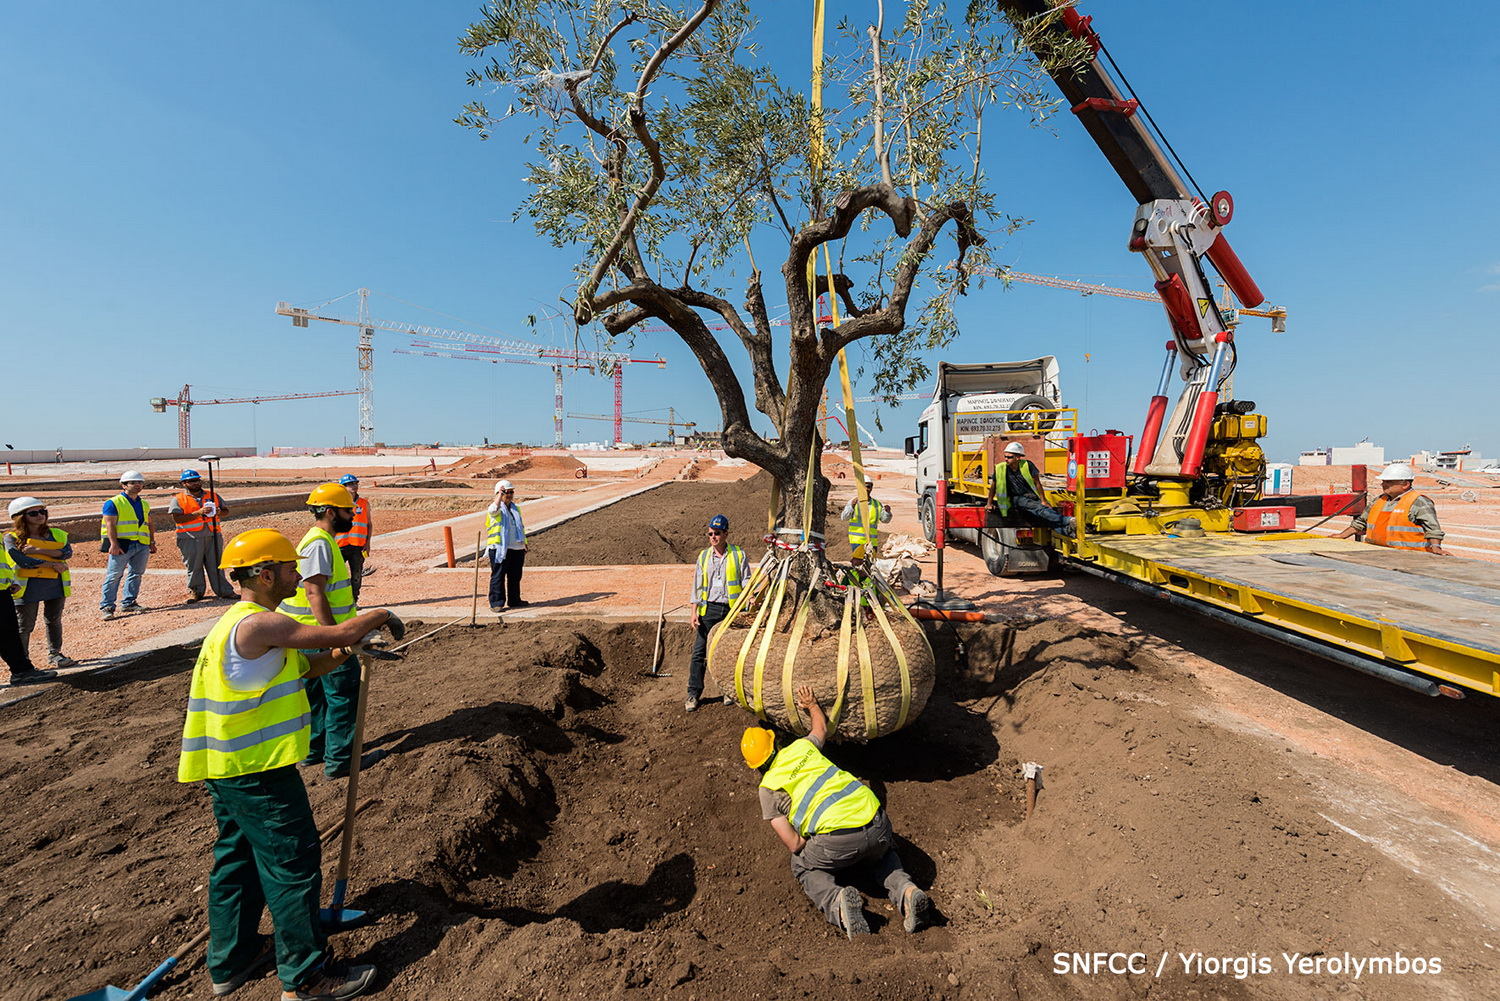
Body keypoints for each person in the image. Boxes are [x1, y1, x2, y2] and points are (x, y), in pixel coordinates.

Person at [178, 528, 400, 1000]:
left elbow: (309, 665)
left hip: (228, 769)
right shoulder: (258, 625)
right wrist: (378, 615)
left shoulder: (244, 627)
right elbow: (339, 630)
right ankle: (306, 978)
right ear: (264, 574)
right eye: (288, 568)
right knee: (292, 863)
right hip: (258, 773)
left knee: (238, 859)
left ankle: (233, 959)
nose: (297, 576)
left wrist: (348, 651)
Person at [742, 684, 933, 939]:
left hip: (837, 840)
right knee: (883, 854)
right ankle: (907, 890)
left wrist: (818, 839)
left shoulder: (768, 789)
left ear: (755, 766)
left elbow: (795, 844)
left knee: (801, 864)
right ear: (775, 744)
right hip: (877, 820)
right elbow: (820, 728)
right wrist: (812, 705)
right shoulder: (801, 748)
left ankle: (838, 903)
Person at [277, 484, 362, 779]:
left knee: (318, 698)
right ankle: (340, 761)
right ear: (330, 512)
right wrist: (335, 638)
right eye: (348, 510)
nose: (353, 515)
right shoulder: (319, 544)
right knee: (343, 695)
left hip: (311, 635)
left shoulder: (323, 541)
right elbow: (314, 593)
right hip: (319, 636)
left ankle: (314, 751)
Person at [6, 496, 76, 670]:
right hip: (26, 587)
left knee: (54, 620)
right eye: (34, 513)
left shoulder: (56, 533)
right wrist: (51, 563)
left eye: (42, 511)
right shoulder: (11, 538)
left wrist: (37, 550)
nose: (40, 515)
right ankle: (24, 663)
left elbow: (66, 553)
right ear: (20, 517)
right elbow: (22, 561)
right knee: (24, 626)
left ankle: (55, 654)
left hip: (55, 584)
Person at [687, 514, 746, 712]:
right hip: (709, 610)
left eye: (717, 533)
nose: (713, 537)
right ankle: (693, 693)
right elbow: (697, 586)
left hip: (731, 610)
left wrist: (751, 598)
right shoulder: (704, 557)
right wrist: (694, 611)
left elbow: (746, 580)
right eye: (710, 533)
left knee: (729, 652)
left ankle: (728, 691)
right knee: (699, 653)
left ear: (726, 534)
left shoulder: (738, 554)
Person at [1337, 462, 1448, 555]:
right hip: (1375, 553)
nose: (1383, 484)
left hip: (1410, 557)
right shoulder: (1378, 501)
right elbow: (1360, 523)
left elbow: (1433, 530)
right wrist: (1342, 536)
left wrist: (1436, 548)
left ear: (1405, 484)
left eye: (1388, 482)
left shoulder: (1419, 502)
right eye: (1383, 481)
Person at [0, 515, 53, 685]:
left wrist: (9, 581)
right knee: (7, 633)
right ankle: (22, 670)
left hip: (2, 589)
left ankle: (22, 671)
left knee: (9, 633)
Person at [170, 469, 235, 602]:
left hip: (213, 535)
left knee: (216, 565)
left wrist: (218, 512)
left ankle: (224, 591)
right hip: (190, 538)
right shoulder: (178, 499)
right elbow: (177, 518)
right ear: (184, 483)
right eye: (191, 481)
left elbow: (226, 511)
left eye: (197, 480)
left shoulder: (213, 495)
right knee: (194, 567)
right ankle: (196, 592)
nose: (196, 483)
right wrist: (198, 513)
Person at [985, 441, 1076, 535]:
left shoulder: (1027, 465)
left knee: (1044, 516)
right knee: (1040, 509)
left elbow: (1037, 483)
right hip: (1016, 499)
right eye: (1005, 456)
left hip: (1031, 496)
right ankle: (1067, 520)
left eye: (1009, 457)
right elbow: (993, 487)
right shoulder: (1000, 468)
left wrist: (1043, 500)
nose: (1006, 459)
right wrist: (989, 503)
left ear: (1018, 457)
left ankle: (1069, 532)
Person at [100, 469, 156, 619]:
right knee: (114, 575)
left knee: (136, 574)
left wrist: (151, 541)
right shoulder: (113, 503)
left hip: (141, 544)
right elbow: (110, 524)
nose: (137, 485)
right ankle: (107, 606)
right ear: (124, 485)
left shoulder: (144, 504)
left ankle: (129, 602)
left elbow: (149, 523)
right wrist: (114, 544)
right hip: (122, 545)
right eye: (133, 482)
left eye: (140, 482)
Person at [484, 479, 528, 612]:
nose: (509, 495)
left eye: (511, 492)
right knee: (498, 576)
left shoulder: (515, 509)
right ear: (498, 494)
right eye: (505, 492)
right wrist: (499, 495)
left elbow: (520, 527)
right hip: (500, 548)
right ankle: (496, 603)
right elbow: (493, 509)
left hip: (516, 547)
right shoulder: (495, 508)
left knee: (515, 576)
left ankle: (514, 600)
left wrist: (524, 544)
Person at [334, 474, 372, 603]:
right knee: (336, 576)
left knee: (356, 576)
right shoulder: (337, 504)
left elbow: (368, 524)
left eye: (355, 483)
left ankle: (353, 601)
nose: (354, 486)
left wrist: (368, 543)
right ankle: (337, 601)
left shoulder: (364, 503)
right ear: (343, 487)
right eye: (350, 484)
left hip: (357, 546)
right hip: (339, 546)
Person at [839, 476, 892, 562]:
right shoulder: (854, 502)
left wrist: (887, 513)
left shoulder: (877, 504)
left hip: (872, 542)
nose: (867, 489)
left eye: (869, 486)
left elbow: (885, 520)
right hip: (857, 541)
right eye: (864, 486)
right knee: (858, 564)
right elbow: (844, 517)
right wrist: (851, 506)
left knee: (871, 564)